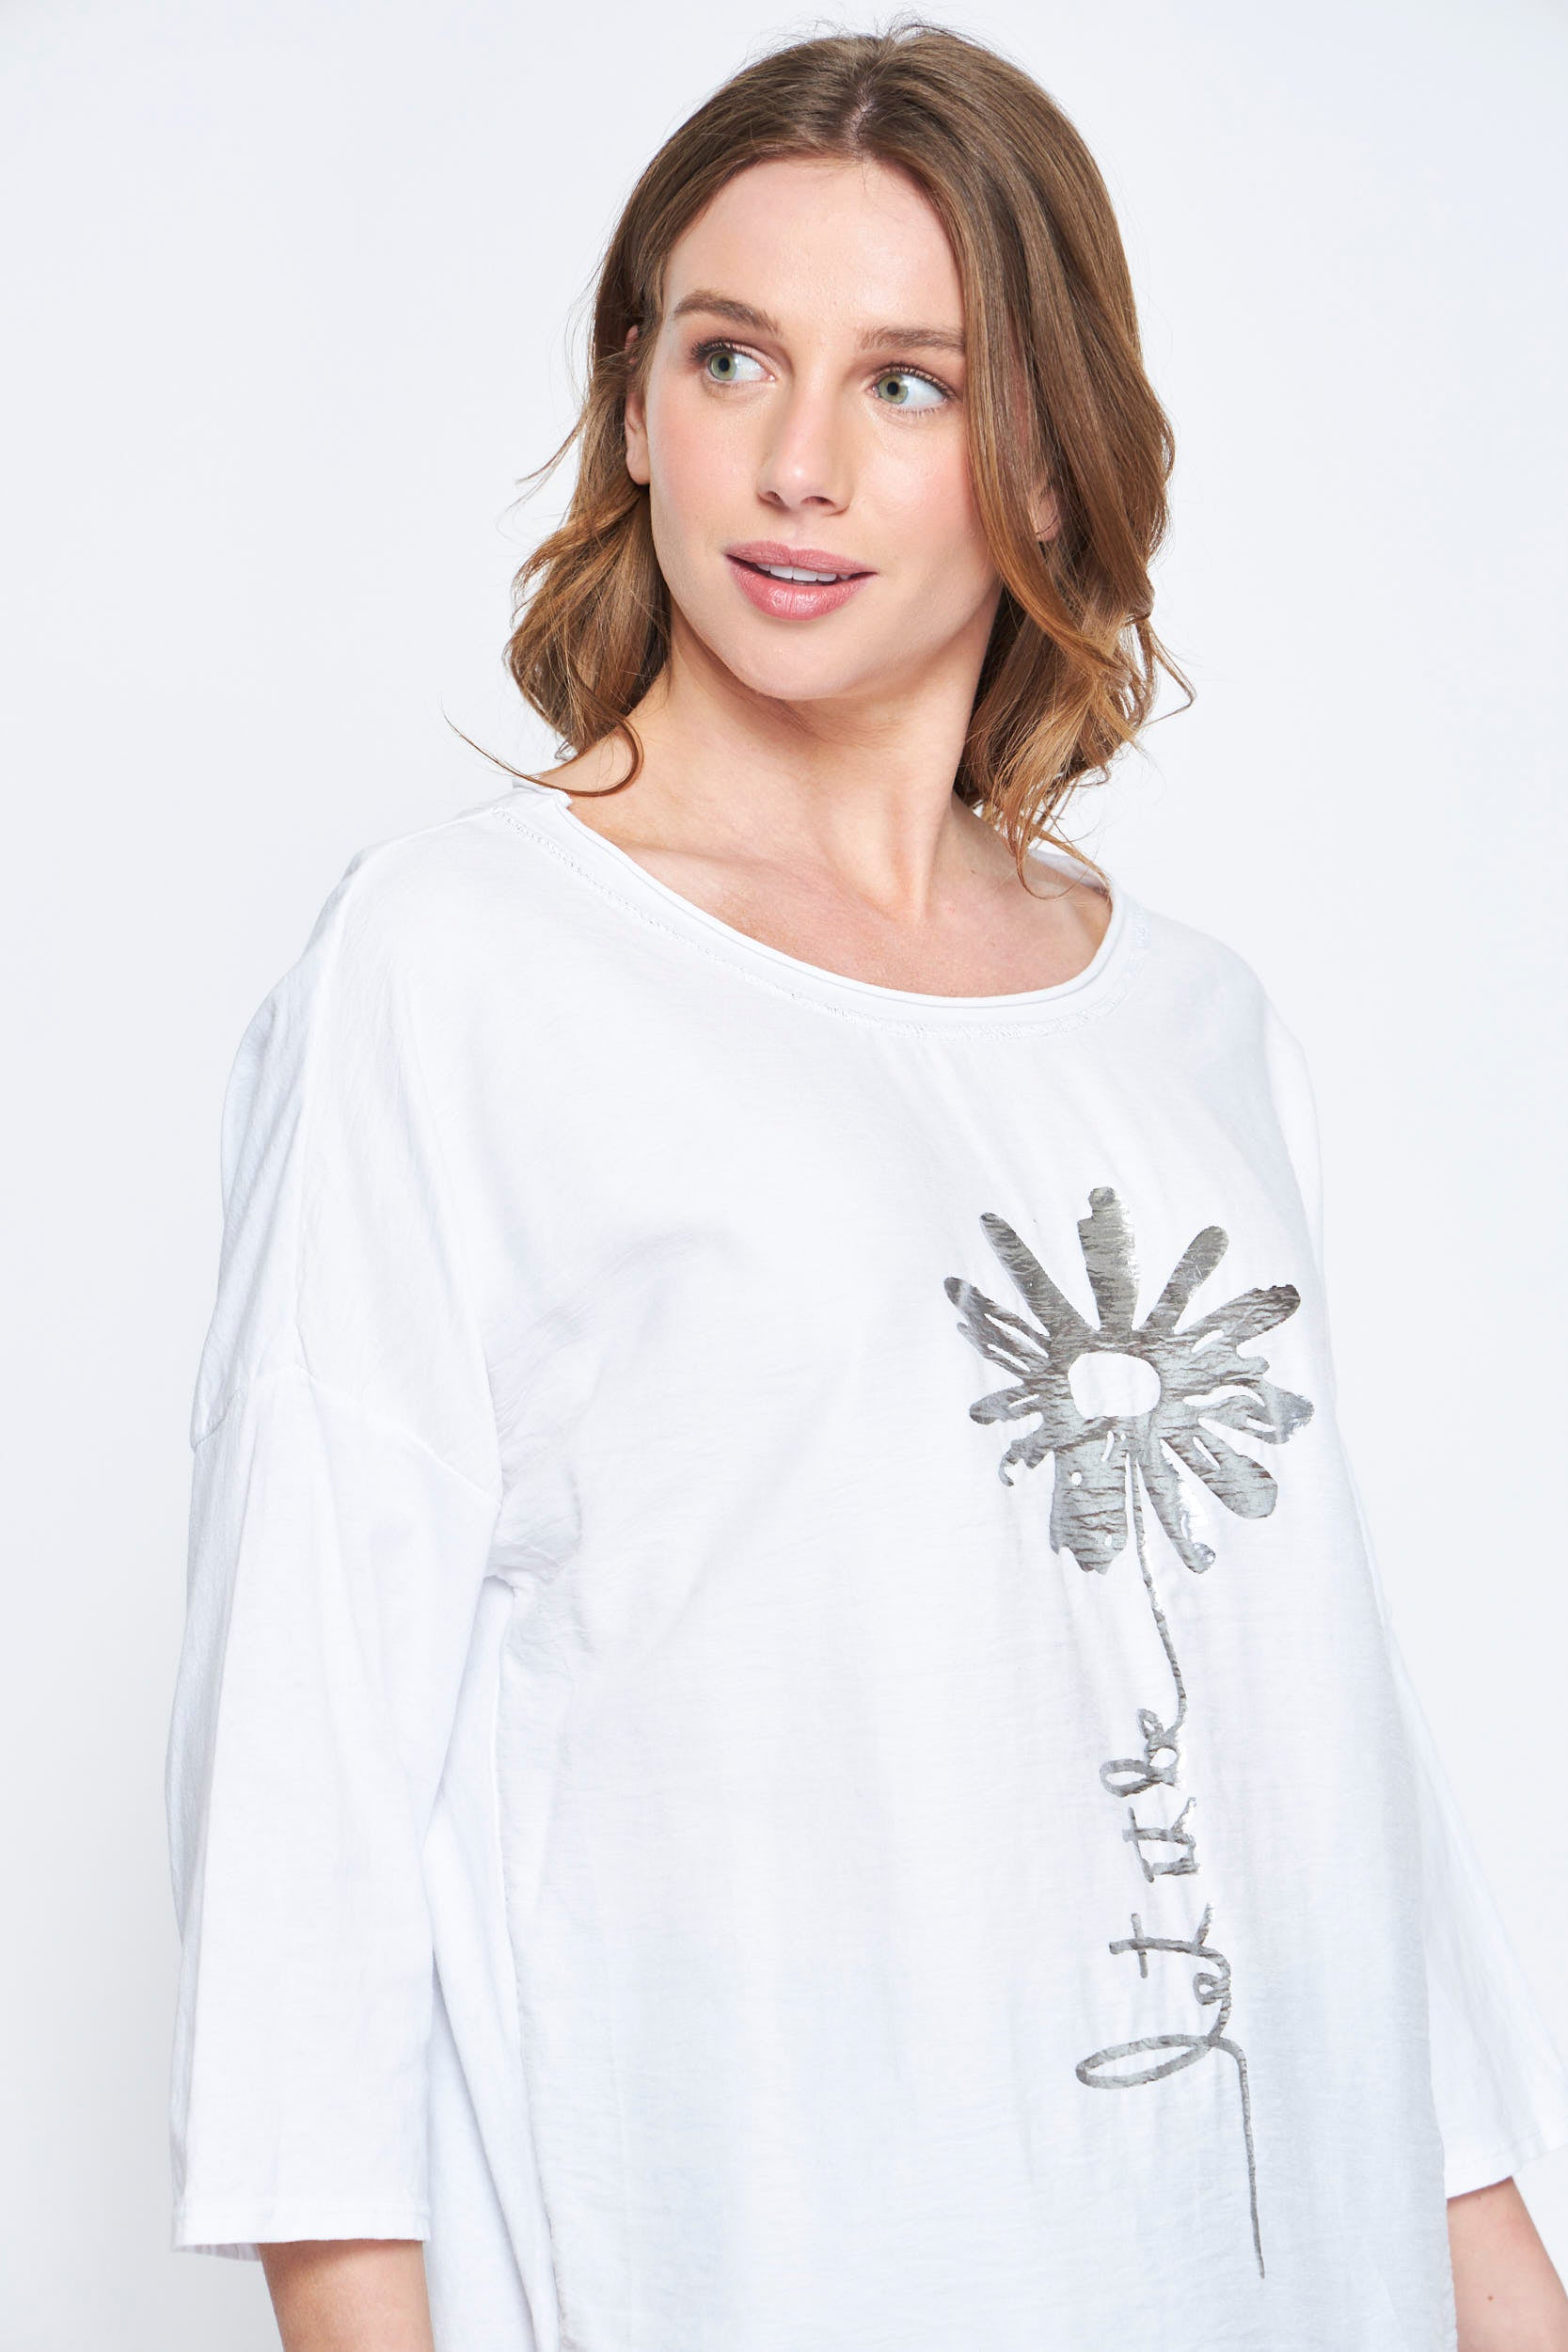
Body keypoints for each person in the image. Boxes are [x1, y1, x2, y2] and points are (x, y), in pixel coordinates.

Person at [163, 19, 1568, 2350]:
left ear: (1052, 460)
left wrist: (1507, 2276)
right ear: (637, 403)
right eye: (732, 356)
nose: (796, 462)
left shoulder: (1195, 1030)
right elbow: (298, 1793)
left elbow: (1326, 1756)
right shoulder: (464, 965)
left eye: (909, 383)